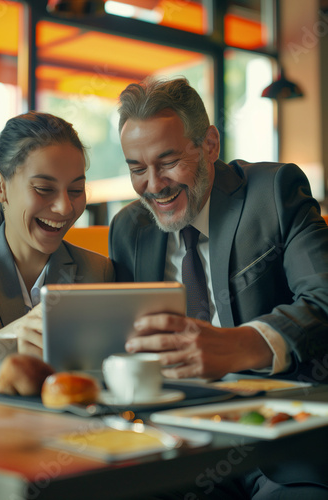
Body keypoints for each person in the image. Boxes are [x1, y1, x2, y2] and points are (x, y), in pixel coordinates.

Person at [108, 77, 328, 499]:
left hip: (282, 444)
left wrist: (242, 345)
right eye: (137, 168)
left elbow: (323, 300)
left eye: (168, 161)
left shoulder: (274, 192)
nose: (153, 185)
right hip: (176, 446)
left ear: (209, 144)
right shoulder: (129, 230)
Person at [0, 111, 114, 372]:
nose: (64, 207)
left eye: (76, 191)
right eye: (44, 189)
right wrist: (8, 340)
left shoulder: (98, 271)